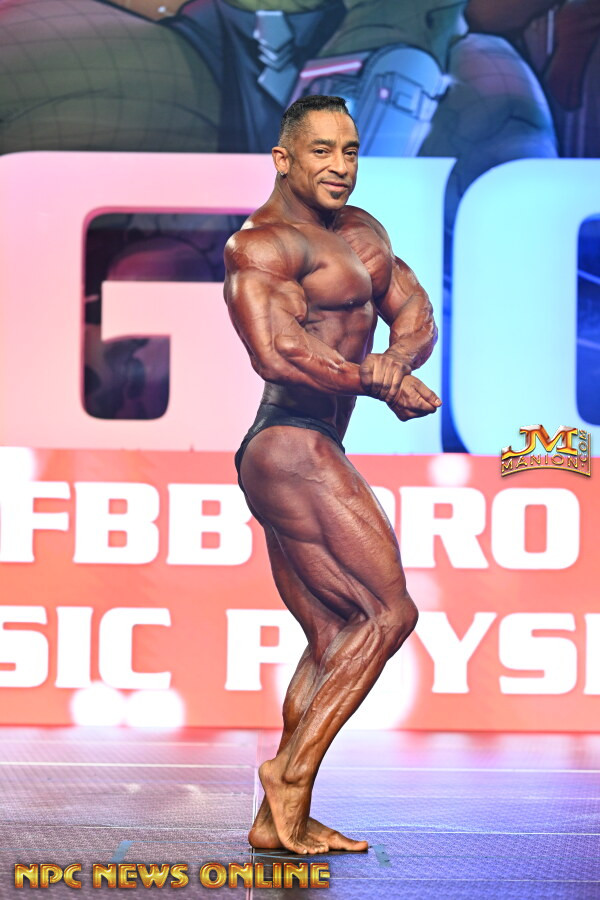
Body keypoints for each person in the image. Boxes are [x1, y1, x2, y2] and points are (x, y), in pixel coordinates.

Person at [223, 94, 441, 856]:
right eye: (322, 151)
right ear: (283, 158)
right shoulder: (261, 246)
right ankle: (288, 776)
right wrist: (369, 379)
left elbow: (415, 311)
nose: (340, 166)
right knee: (389, 613)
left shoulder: (362, 232)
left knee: (332, 635)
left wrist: (395, 362)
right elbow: (275, 351)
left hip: (309, 444)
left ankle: (278, 816)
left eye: (350, 151)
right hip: (287, 443)